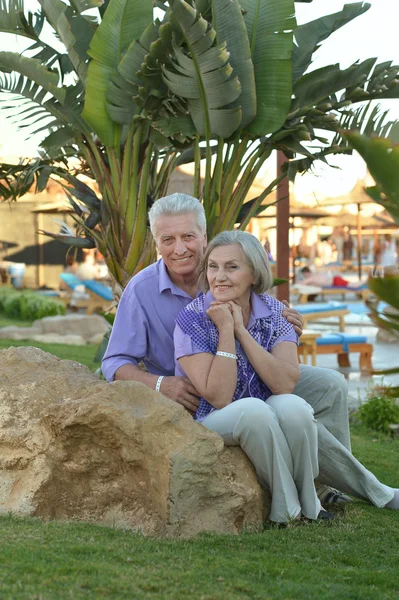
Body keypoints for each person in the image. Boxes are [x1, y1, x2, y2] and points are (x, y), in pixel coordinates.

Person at [102, 193, 352, 505]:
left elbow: (265, 318)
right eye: (168, 239)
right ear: (157, 243)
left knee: (331, 385)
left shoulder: (232, 267)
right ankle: (336, 490)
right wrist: (161, 384)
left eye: (188, 237)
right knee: (274, 412)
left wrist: (286, 328)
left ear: (204, 237)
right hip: (201, 392)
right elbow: (114, 362)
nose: (179, 249)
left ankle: (328, 486)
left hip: (252, 375)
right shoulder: (141, 291)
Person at [174, 230, 399, 523]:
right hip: (213, 416)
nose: (220, 276)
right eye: (213, 266)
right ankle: (286, 507)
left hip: (266, 402)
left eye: (232, 267)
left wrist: (241, 329)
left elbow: (284, 384)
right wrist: (226, 331)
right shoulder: (192, 319)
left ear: (254, 274)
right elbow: (219, 396)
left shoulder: (277, 312)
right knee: (256, 410)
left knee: (294, 408)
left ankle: (312, 502)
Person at [299, 266, 364, 288]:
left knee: (352, 285)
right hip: (335, 280)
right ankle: (363, 282)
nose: (304, 276)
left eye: (304, 274)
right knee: (352, 284)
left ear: (306, 273)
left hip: (335, 281)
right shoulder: (313, 275)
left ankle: (363, 282)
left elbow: (303, 283)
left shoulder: (310, 278)